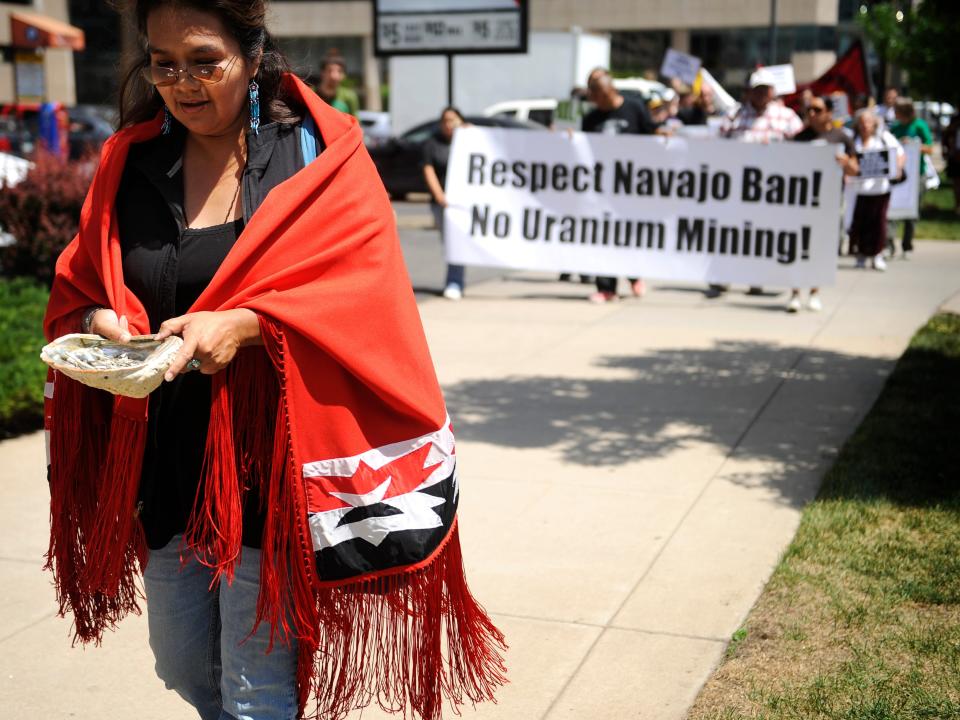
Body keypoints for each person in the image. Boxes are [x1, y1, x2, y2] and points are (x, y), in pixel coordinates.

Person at [41, 2, 505, 719]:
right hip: (166, 461)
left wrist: (249, 326)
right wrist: (105, 317)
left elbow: (366, 294)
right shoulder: (130, 161)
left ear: (252, 57)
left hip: (273, 466)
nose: (184, 82)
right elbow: (84, 277)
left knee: (256, 695)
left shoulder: (318, 153)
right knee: (184, 666)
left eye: (204, 61)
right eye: (164, 63)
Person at [714, 68, 803, 297]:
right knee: (732, 235)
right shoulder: (735, 116)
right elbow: (716, 146)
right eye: (757, 90)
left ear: (772, 92)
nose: (761, 94)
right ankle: (725, 276)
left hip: (772, 190)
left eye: (765, 90)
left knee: (761, 236)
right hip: (738, 188)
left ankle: (756, 278)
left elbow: (804, 148)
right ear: (749, 92)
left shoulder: (787, 117)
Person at [581, 68, 656, 303]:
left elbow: (651, 135)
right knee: (603, 237)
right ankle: (606, 287)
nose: (598, 101)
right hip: (603, 189)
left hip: (632, 186)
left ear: (610, 90)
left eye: (600, 95)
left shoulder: (633, 108)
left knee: (628, 236)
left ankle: (634, 277)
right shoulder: (591, 118)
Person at [788, 95, 860, 312]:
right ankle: (794, 293)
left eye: (817, 110)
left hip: (828, 203)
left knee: (819, 249)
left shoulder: (841, 138)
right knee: (796, 247)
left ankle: (814, 292)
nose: (811, 114)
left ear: (829, 112)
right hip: (801, 202)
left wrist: (846, 163)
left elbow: (856, 169)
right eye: (809, 110)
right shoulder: (799, 137)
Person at [848, 108, 905, 270]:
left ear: (874, 123)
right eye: (862, 123)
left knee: (878, 223)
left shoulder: (884, 138)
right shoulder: (854, 140)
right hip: (858, 190)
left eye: (868, 122)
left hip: (880, 189)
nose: (865, 126)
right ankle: (861, 254)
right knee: (859, 223)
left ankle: (877, 254)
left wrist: (898, 168)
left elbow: (899, 154)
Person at [422, 106, 468, 299]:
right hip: (442, 203)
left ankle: (455, 282)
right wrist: (440, 195)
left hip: (463, 203)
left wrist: (466, 129)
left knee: (458, 242)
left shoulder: (467, 141)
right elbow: (428, 169)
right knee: (449, 243)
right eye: (445, 121)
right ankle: (454, 280)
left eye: (453, 120)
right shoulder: (432, 144)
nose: (449, 125)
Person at [889, 97, 934, 258]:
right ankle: (890, 244)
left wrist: (914, 145)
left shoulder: (919, 126)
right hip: (898, 175)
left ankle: (907, 245)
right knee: (892, 209)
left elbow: (930, 148)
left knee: (912, 211)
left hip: (917, 174)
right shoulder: (895, 128)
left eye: (897, 111)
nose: (894, 114)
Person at [315, 51, 358, 116]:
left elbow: (355, 123)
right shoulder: (310, 93)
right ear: (322, 72)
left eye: (339, 71)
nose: (334, 76)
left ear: (344, 75)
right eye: (329, 70)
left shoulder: (349, 97)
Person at [945, 112, 960, 214]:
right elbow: (947, 134)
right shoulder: (956, 119)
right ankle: (958, 205)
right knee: (957, 182)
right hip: (956, 155)